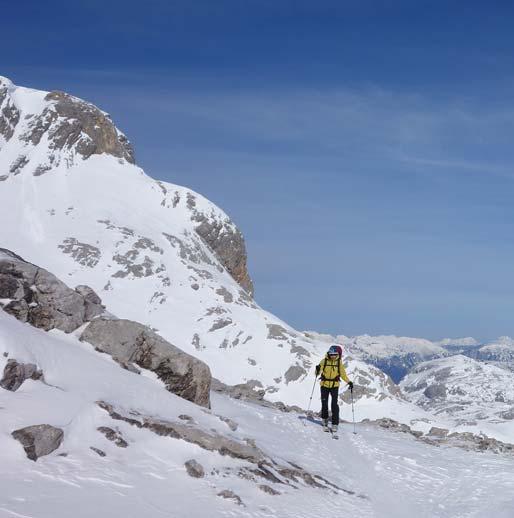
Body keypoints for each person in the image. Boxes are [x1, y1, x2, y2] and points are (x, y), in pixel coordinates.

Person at [315, 345, 354, 433]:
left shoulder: (338, 363)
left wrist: (349, 382)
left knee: (334, 404)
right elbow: (317, 373)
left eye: (334, 354)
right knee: (324, 403)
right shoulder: (324, 361)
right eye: (331, 354)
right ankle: (324, 421)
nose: (333, 356)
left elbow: (343, 374)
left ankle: (334, 424)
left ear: (337, 354)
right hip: (324, 385)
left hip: (334, 385)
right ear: (329, 353)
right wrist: (317, 369)